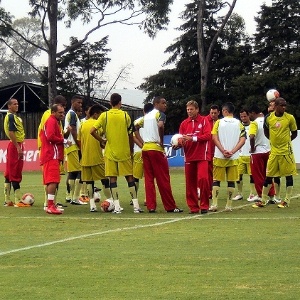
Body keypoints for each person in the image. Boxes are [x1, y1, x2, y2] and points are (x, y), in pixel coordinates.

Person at [90, 93, 143, 213]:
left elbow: (92, 131)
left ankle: (117, 207)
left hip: (110, 152)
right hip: (124, 151)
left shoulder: (105, 115)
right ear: (120, 102)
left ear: (110, 102)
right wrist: (131, 149)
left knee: (112, 179)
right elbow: (131, 134)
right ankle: (136, 206)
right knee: (129, 177)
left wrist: (102, 140)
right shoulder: (125, 115)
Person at [134, 96, 183, 213]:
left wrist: (142, 141)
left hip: (145, 149)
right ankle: (170, 206)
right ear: (156, 104)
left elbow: (134, 126)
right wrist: (161, 141)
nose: (165, 105)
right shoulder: (160, 115)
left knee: (149, 179)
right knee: (163, 178)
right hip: (156, 149)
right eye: (163, 103)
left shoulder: (146, 117)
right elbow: (161, 125)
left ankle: (151, 206)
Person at [252, 97, 297, 208]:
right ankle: (263, 200)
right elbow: (266, 131)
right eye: (282, 105)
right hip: (273, 152)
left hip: (286, 152)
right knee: (268, 176)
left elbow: (294, 133)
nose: (284, 107)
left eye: (285, 105)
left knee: (288, 176)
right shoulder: (269, 118)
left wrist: (286, 141)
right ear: (276, 106)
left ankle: (286, 201)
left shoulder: (290, 118)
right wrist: (273, 141)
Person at [209, 102, 246, 212]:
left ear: (225, 111)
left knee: (216, 180)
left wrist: (223, 151)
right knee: (231, 181)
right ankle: (228, 206)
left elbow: (214, 138)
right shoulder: (239, 123)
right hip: (233, 157)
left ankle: (215, 204)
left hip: (220, 156)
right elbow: (243, 140)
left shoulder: (219, 122)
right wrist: (232, 151)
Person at [177, 100, 211, 214]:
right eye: (187, 110)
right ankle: (193, 207)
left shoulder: (204, 120)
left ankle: (204, 205)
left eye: (191, 109)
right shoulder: (183, 124)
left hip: (202, 156)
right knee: (190, 183)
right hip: (189, 156)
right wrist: (178, 144)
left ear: (197, 109)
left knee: (203, 179)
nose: (189, 111)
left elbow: (207, 136)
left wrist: (193, 138)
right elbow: (181, 139)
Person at [78, 104, 112, 212]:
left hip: (85, 158)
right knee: (105, 180)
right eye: (100, 115)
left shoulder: (83, 125)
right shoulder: (98, 125)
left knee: (89, 182)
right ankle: (110, 201)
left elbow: (80, 140)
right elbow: (103, 139)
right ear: (96, 114)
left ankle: (92, 205)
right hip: (97, 158)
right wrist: (103, 142)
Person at [37, 95, 67, 210]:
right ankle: (49, 205)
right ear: (53, 112)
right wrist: (63, 140)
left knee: (53, 180)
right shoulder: (50, 120)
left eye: (63, 112)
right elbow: (50, 136)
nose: (62, 115)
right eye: (60, 112)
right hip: (50, 154)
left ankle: (50, 204)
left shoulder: (54, 120)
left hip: (52, 154)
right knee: (52, 180)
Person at [248, 105, 276, 203]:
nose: (249, 117)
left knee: (258, 175)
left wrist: (252, 148)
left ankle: (261, 195)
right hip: (268, 151)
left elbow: (251, 137)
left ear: (253, 113)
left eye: (249, 114)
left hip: (257, 153)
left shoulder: (254, 123)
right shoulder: (268, 120)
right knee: (268, 175)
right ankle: (272, 195)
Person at [64, 95, 86, 205]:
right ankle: (75, 198)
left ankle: (69, 196)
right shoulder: (72, 114)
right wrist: (79, 144)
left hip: (70, 146)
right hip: (73, 145)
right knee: (80, 171)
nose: (80, 105)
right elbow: (73, 131)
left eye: (81, 103)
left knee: (72, 173)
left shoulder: (72, 114)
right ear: (72, 102)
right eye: (78, 102)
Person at [3, 98, 26, 207]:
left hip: (13, 145)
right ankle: (18, 200)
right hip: (15, 145)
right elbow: (11, 132)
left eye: (17, 103)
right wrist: (18, 147)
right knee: (15, 171)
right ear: (9, 106)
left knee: (9, 172)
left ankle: (7, 200)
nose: (17, 105)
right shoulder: (11, 116)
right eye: (14, 104)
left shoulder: (12, 116)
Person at [131, 102, 154, 205]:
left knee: (136, 176)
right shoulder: (154, 121)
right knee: (148, 176)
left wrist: (141, 145)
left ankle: (134, 199)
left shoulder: (137, 121)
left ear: (143, 111)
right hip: (150, 150)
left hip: (138, 151)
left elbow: (133, 136)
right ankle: (147, 198)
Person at [232, 109, 256, 201]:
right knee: (238, 175)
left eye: (245, 116)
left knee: (252, 175)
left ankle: (252, 193)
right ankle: (240, 193)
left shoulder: (253, 125)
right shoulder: (239, 127)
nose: (243, 118)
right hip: (240, 155)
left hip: (251, 155)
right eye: (241, 116)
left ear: (249, 115)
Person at [206, 104, 220, 198]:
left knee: (216, 173)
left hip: (218, 151)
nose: (213, 115)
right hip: (208, 151)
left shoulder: (221, 122)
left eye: (215, 113)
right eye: (212, 113)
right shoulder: (205, 121)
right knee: (208, 172)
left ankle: (213, 191)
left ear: (219, 113)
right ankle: (208, 192)